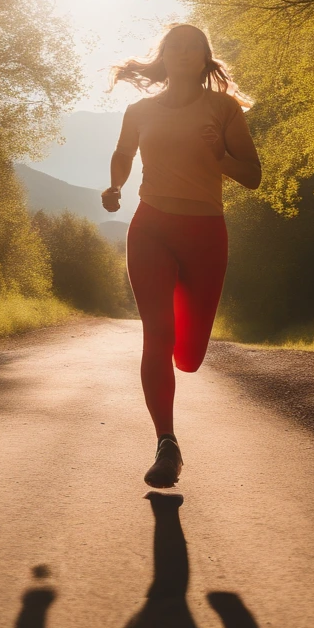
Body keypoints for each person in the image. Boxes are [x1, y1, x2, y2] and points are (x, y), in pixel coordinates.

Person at [102, 24, 261, 488]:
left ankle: (179, 377)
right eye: (176, 45)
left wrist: (220, 156)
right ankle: (166, 443)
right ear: (164, 55)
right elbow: (122, 153)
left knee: (187, 356)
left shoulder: (224, 109)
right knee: (157, 335)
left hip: (205, 232)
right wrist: (115, 187)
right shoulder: (139, 110)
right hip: (151, 226)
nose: (185, 52)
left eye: (194, 46)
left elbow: (252, 175)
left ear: (205, 57)